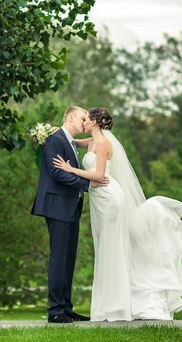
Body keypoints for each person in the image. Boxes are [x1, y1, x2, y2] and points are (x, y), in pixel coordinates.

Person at [52, 107, 182, 321]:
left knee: (111, 248)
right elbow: (70, 140)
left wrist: (70, 169)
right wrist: (54, 132)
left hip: (109, 199)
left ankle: (117, 307)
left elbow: (98, 174)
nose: (84, 122)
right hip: (99, 199)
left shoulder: (105, 143)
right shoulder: (92, 141)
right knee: (104, 248)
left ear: (95, 122)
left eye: (87, 119)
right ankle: (110, 305)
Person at [31, 106, 109, 323]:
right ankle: (55, 310)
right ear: (72, 117)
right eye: (83, 118)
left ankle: (65, 307)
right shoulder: (55, 139)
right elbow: (56, 173)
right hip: (57, 205)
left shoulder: (68, 141)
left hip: (70, 206)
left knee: (68, 258)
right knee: (59, 258)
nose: (86, 122)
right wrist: (89, 183)